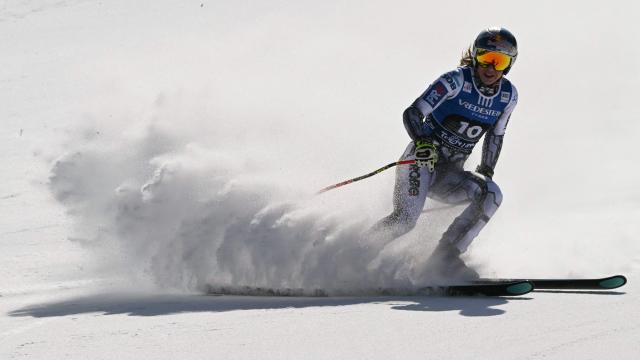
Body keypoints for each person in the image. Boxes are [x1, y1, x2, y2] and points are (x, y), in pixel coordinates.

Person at [370, 27, 519, 281]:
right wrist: (424, 143)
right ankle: (357, 253)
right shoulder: (455, 80)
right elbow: (413, 113)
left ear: (509, 65)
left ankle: (445, 259)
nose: (491, 68)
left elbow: (496, 135)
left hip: (450, 175)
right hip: (420, 163)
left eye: (500, 61)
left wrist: (486, 169)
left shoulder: (508, 96)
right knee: (405, 221)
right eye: (485, 58)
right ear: (475, 57)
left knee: (491, 193)